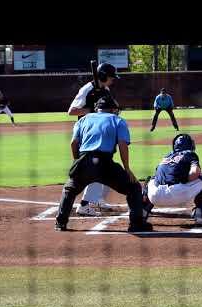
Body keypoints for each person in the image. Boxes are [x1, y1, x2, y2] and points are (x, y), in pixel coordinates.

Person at [55, 95, 153, 233]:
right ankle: (136, 224)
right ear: (112, 109)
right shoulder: (118, 120)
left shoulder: (83, 119)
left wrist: (77, 162)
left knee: (70, 189)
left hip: (84, 160)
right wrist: (127, 169)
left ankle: (60, 223)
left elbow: (73, 143)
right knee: (134, 188)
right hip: (105, 164)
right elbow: (122, 144)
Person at [67, 62, 120, 216]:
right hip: (88, 135)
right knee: (97, 167)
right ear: (103, 76)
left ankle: (97, 199)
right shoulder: (87, 90)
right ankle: (84, 205)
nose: (113, 80)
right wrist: (92, 110)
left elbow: (113, 106)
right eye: (111, 77)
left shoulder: (106, 89)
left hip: (102, 134)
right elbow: (71, 111)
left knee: (107, 165)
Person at [141, 133, 202, 225]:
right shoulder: (190, 154)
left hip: (154, 197)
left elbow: (157, 174)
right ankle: (200, 215)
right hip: (177, 194)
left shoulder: (167, 157)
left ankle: (142, 212)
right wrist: (185, 179)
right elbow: (195, 172)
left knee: (151, 179)